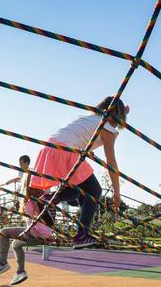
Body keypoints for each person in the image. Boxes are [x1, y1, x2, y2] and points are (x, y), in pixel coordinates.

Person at [30, 97, 128, 248]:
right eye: (119, 119)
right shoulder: (106, 127)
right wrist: (117, 193)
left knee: (77, 191)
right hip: (67, 151)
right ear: (114, 114)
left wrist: (124, 112)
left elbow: (79, 136)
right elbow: (111, 162)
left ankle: (48, 199)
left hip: (50, 148)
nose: (118, 124)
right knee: (94, 191)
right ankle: (82, 235)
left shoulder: (89, 118)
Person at [0, 177, 56, 285]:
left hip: (38, 234)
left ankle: (15, 269)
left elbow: (38, 223)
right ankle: (6, 265)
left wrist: (46, 236)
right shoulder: (45, 197)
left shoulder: (31, 203)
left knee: (14, 243)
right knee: (6, 233)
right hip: (37, 231)